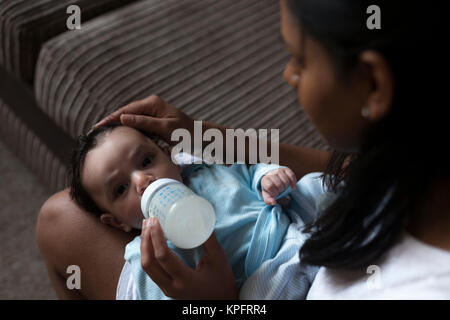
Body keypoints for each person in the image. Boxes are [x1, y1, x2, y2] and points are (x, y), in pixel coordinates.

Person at [36, 0, 450, 300]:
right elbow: (346, 168)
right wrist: (211, 136)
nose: (288, 75)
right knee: (62, 214)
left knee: (59, 219)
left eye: (299, 60)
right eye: (121, 189)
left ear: (374, 84)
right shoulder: (413, 164)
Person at [68, 123, 306, 299]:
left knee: (313, 184)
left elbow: (248, 174)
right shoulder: (148, 256)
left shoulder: (207, 173)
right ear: (117, 223)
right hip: (261, 286)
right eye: (120, 189)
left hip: (293, 237)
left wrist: (269, 177)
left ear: (170, 158)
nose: (142, 180)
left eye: (146, 160)